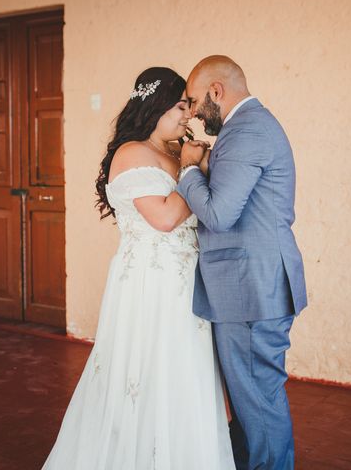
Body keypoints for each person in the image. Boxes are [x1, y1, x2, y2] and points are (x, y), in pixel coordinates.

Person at [42, 67, 235, 469]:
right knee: (147, 374)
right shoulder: (132, 153)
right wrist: (191, 170)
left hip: (185, 283)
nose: (188, 114)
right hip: (151, 284)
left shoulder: (169, 152)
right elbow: (164, 219)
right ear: (155, 105)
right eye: (181, 106)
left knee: (184, 375)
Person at [177, 55, 308, 470]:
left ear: (216, 91)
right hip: (252, 284)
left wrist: (187, 173)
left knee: (259, 400)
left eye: (195, 102)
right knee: (254, 397)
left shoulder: (245, 130)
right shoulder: (249, 128)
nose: (194, 114)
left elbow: (218, 214)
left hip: (250, 288)